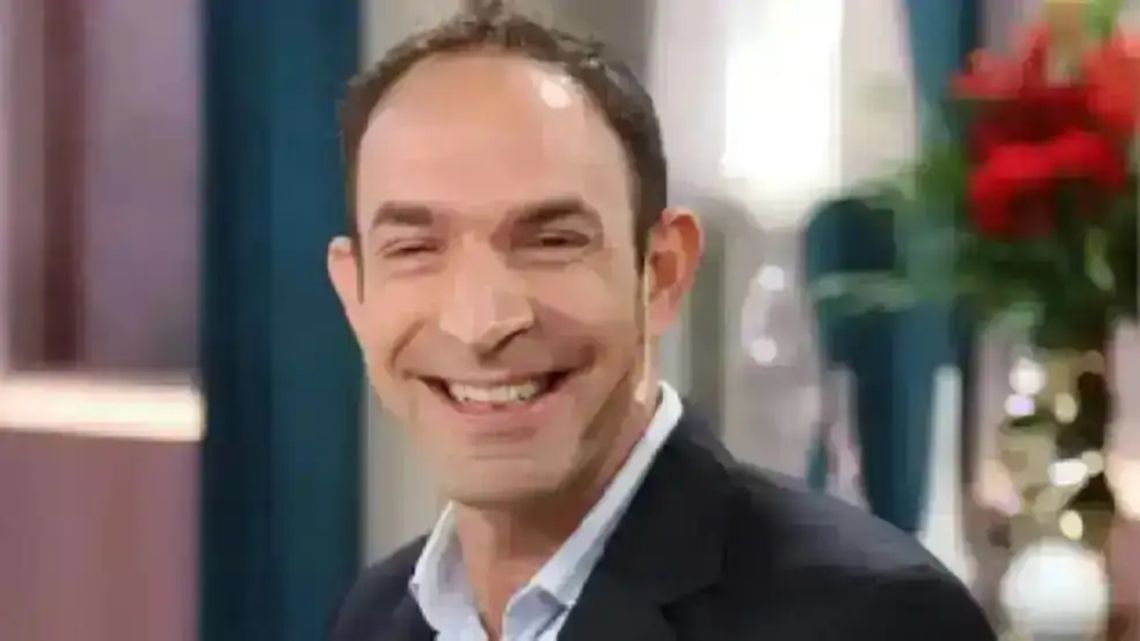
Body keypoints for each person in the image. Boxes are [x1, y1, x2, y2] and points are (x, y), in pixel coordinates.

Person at [326, 5, 995, 641]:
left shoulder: (872, 619)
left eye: (551, 241)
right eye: (413, 248)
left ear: (663, 272)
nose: (482, 322)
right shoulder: (379, 615)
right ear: (353, 292)